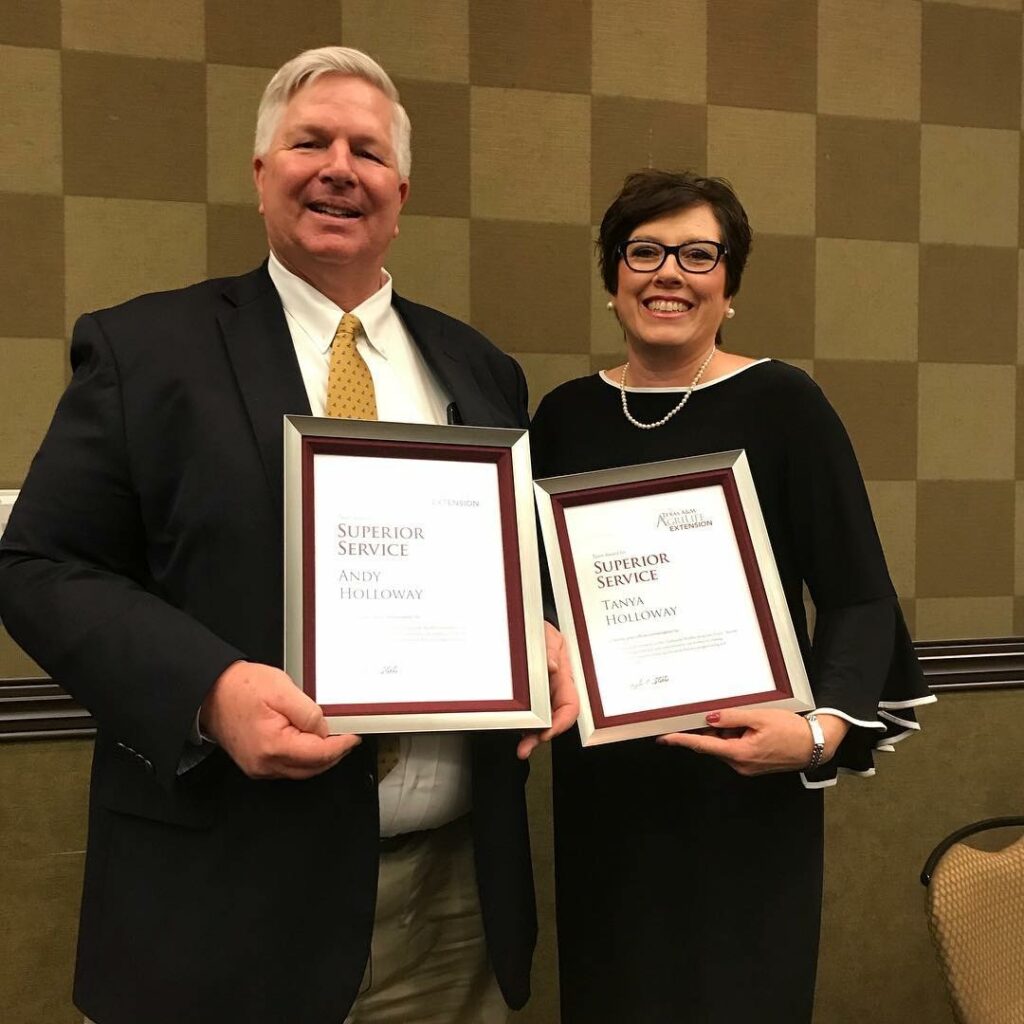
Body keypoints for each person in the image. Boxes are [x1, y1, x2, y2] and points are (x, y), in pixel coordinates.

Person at [0, 46, 576, 1024]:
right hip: (222, 904)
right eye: (309, 141)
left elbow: (502, 572)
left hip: (450, 908)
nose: (338, 166)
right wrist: (209, 691)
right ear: (262, 174)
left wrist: (544, 633)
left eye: (366, 149)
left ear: (400, 190)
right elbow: (39, 564)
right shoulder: (149, 349)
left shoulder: (482, 372)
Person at [529, 169, 935, 1023]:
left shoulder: (785, 404)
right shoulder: (563, 417)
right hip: (607, 796)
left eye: (697, 254)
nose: (667, 273)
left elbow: (860, 595)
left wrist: (821, 733)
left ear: (730, 285)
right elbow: (536, 592)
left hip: (747, 788)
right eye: (643, 251)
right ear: (613, 279)